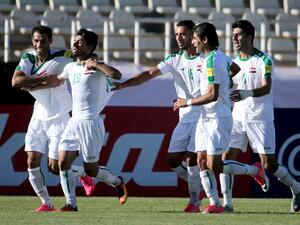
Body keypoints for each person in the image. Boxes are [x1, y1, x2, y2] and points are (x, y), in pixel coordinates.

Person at [174, 22, 269, 213]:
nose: (193, 41)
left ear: (204, 40)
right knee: (201, 159)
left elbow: (212, 95)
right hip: (205, 116)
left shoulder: (211, 61)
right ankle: (214, 203)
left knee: (214, 164)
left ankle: (254, 170)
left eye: (195, 38)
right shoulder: (218, 57)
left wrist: (188, 102)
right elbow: (235, 68)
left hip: (218, 117)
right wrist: (227, 82)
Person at [114, 20, 204, 213]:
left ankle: (194, 202)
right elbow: (149, 73)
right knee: (172, 161)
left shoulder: (207, 59)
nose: (179, 38)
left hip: (204, 115)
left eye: (183, 34)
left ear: (193, 36)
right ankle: (201, 184)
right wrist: (124, 84)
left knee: (191, 160)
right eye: (177, 34)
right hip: (184, 115)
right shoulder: (174, 59)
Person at [11, 25, 94, 212]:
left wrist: (31, 83)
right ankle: (46, 203)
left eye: (43, 40)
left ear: (50, 41)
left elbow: (86, 59)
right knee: (31, 161)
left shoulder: (63, 56)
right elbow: (16, 81)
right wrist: (44, 81)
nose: (39, 44)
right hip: (39, 116)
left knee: (55, 168)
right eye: (36, 40)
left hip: (60, 117)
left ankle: (82, 174)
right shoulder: (28, 57)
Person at [220, 19, 300, 213]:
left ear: (249, 37)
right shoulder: (232, 62)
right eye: (233, 36)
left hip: (260, 118)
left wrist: (246, 93)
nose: (235, 39)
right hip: (238, 117)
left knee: (269, 164)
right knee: (224, 160)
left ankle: (297, 189)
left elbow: (267, 86)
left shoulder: (264, 59)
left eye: (238, 35)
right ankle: (227, 204)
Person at [57, 29, 127, 212]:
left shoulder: (97, 68)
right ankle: (71, 204)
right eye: (74, 41)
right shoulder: (70, 67)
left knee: (91, 170)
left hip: (91, 123)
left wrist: (96, 64)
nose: (74, 44)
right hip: (73, 122)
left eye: (79, 42)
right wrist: (32, 83)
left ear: (89, 47)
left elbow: (116, 75)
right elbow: (56, 80)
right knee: (62, 163)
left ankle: (117, 181)